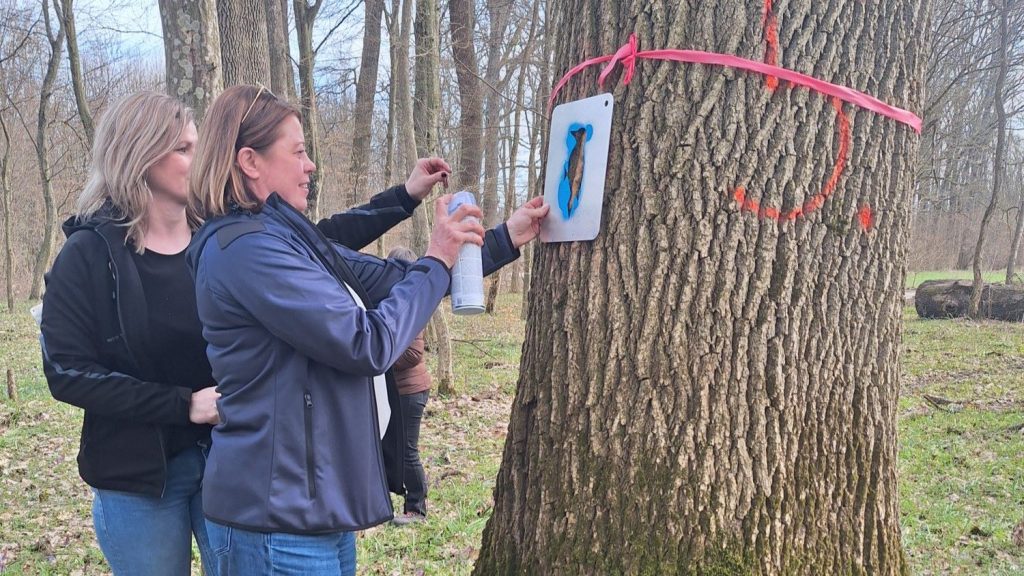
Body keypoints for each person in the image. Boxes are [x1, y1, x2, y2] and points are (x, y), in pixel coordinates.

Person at [39, 90, 445, 576]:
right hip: (140, 477)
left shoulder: (216, 233)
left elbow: (319, 243)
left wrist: (403, 198)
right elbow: (67, 374)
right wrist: (182, 404)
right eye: (184, 148)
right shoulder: (89, 254)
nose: (201, 156)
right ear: (139, 156)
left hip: (228, 459)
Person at [186, 84, 548, 575]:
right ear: (250, 161)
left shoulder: (288, 238)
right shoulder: (246, 250)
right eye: (298, 152)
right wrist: (438, 256)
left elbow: (399, 279)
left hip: (313, 511)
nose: (310, 164)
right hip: (275, 522)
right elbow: (366, 342)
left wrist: (506, 236)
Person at [387, 246, 432, 526]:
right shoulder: (394, 300)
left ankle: (417, 508)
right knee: (392, 448)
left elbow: (413, 353)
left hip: (410, 390)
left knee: (406, 450)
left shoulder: (413, 303)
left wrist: (379, 358)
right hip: (396, 391)